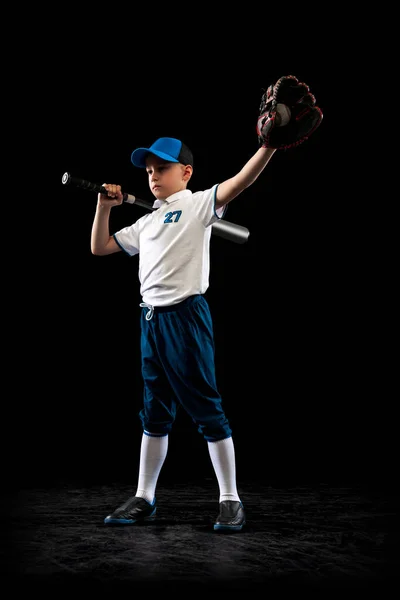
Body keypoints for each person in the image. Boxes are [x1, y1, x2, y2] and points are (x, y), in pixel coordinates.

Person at [91, 136, 276, 532]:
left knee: (206, 409)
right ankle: (145, 497)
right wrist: (103, 207)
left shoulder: (197, 205)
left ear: (186, 172)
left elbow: (241, 180)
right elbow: (101, 247)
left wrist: (270, 145)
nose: (153, 176)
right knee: (155, 412)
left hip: (186, 319)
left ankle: (231, 499)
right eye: (149, 171)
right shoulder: (147, 220)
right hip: (150, 322)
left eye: (162, 168)